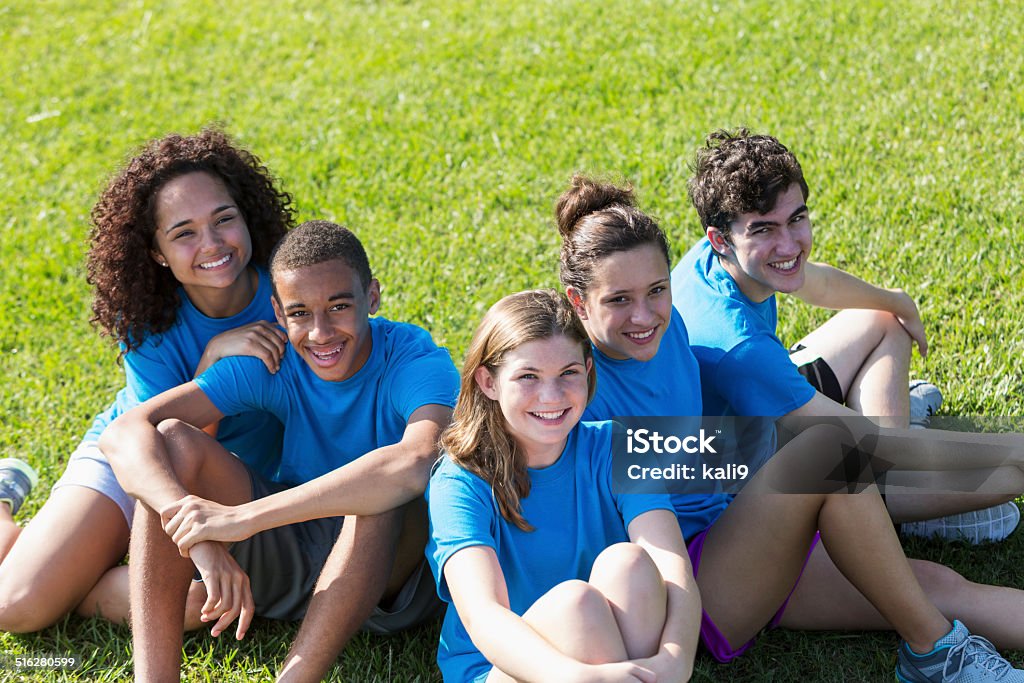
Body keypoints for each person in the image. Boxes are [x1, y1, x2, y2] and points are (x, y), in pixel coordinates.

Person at [555, 173, 1024, 681]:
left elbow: (709, 453)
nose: (644, 314)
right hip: (694, 587)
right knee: (830, 452)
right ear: (578, 302)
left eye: (656, 290)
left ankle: (906, 540)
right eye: (618, 300)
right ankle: (932, 651)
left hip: (740, 518)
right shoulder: (575, 391)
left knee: (939, 586)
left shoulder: (670, 325)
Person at [101, 220, 459, 683]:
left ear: (372, 297)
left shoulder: (414, 359)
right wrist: (198, 534)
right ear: (277, 311)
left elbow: (415, 461)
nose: (320, 332)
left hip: (388, 576)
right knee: (172, 441)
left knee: (378, 490)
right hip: (294, 550)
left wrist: (243, 519)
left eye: (339, 306)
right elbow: (125, 431)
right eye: (300, 313)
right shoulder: (276, 361)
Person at [0, 128, 292, 632]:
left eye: (224, 219)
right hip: (138, 460)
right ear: (156, 251)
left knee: (196, 605)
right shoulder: (148, 318)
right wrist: (212, 363)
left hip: (238, 484)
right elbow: (163, 450)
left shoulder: (292, 289)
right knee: (17, 605)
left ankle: (80, 570)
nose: (213, 243)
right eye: (184, 233)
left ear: (246, 217)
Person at [672, 128, 1020, 543]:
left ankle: (896, 483)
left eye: (796, 219)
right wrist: (1015, 450)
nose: (788, 244)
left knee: (881, 320)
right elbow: (869, 445)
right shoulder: (737, 345)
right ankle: (897, 512)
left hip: (764, 412)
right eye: (764, 229)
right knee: (998, 476)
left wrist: (896, 301)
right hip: (750, 479)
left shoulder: (722, 255)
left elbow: (814, 282)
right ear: (721, 240)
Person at [425, 289, 700, 683]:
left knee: (632, 564)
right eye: (528, 377)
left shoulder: (619, 446)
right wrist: (578, 677)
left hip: (613, 651)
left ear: (588, 371)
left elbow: (675, 571)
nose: (551, 396)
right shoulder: (460, 480)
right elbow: (484, 616)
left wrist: (675, 659)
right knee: (577, 605)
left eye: (568, 373)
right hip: (504, 668)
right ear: (488, 381)